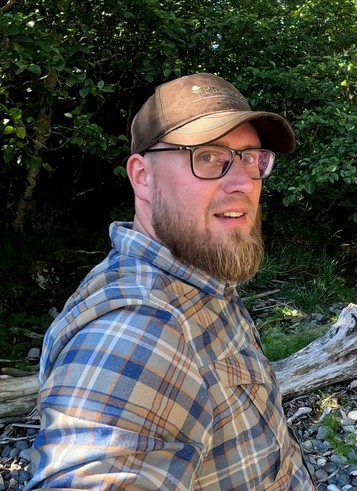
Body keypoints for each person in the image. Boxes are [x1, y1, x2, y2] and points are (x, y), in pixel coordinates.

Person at [26, 73, 315, 490]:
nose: (243, 183)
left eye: (251, 158)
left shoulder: (198, 280)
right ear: (142, 176)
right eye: (209, 157)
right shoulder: (137, 327)